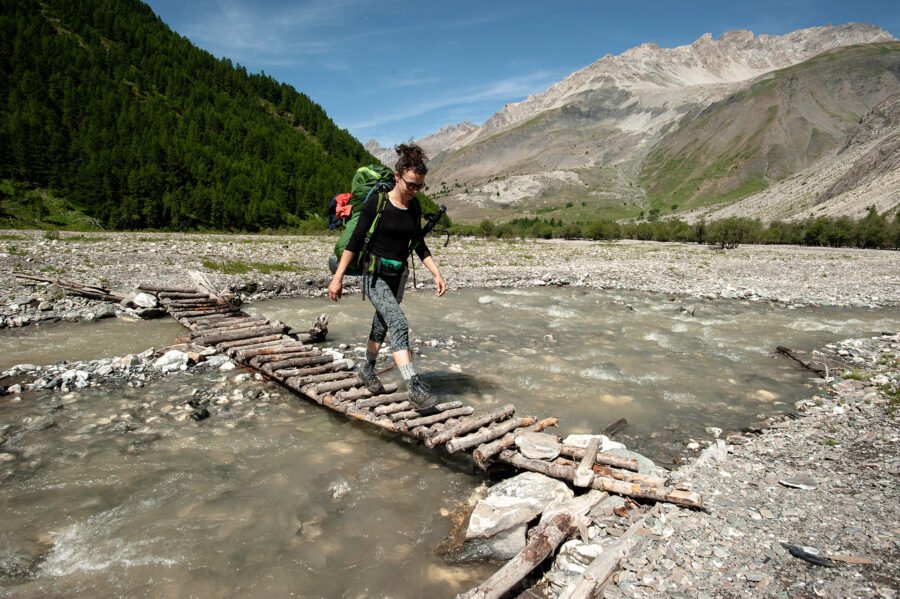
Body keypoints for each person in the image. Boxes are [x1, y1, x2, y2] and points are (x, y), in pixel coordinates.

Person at [327, 144, 446, 407]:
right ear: (397, 176)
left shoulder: (413, 209)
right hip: (374, 274)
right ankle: (414, 387)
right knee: (399, 323)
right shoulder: (378, 202)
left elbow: (418, 244)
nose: (415, 191)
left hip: (397, 275)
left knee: (381, 324)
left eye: (420, 186)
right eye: (411, 185)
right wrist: (338, 277)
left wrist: (436, 273)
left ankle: (367, 370)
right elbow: (356, 240)